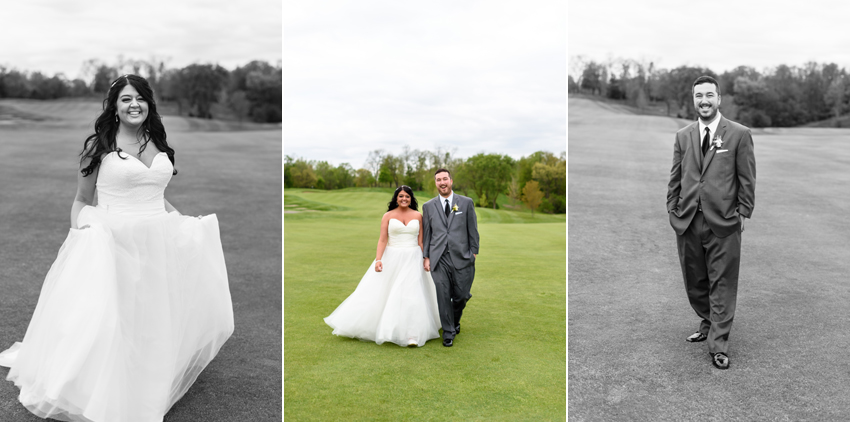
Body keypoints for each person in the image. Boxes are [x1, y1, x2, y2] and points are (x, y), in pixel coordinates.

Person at [0, 74, 234, 421]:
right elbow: (80, 201)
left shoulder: (158, 140)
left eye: (139, 98)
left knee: (153, 312)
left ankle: (149, 373)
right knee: (113, 318)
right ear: (114, 106)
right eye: (125, 99)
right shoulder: (99, 147)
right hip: (113, 239)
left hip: (159, 238)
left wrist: (184, 223)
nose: (134, 104)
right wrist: (86, 231)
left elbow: (157, 195)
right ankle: (104, 386)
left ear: (148, 103)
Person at [667, 75, 756, 370]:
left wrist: (743, 213)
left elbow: (747, 178)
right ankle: (707, 321)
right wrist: (672, 210)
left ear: (719, 98)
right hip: (688, 221)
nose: (703, 101)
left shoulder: (739, 134)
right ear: (693, 100)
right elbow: (676, 177)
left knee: (723, 283)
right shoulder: (683, 136)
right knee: (695, 282)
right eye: (698, 96)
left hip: (724, 223)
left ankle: (718, 344)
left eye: (709, 95)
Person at [324, 186, 440, 347]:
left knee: (412, 294)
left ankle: (412, 335)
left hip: (413, 258)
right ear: (396, 198)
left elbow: (421, 241)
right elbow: (382, 240)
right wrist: (378, 259)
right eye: (401, 196)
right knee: (385, 293)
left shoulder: (418, 216)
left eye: (407, 196)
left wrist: (426, 258)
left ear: (411, 198)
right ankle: (389, 329)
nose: (404, 199)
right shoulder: (388, 215)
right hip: (392, 257)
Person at [422, 169, 479, 347]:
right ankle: (448, 332)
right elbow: (427, 234)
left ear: (451, 181)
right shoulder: (428, 206)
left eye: (445, 178)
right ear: (436, 183)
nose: (442, 182)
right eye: (438, 180)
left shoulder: (466, 203)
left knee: (462, 295)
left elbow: (473, 229)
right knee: (443, 295)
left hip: (462, 257)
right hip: (438, 258)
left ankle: (454, 320)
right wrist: (426, 257)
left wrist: (473, 252)